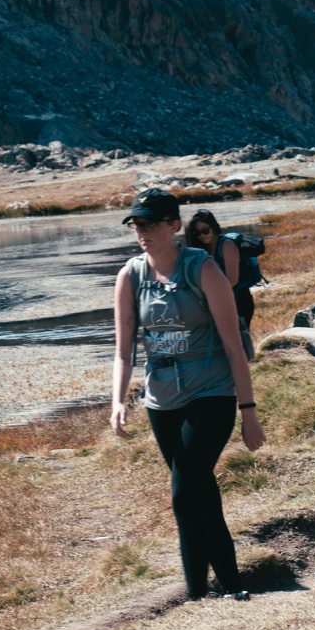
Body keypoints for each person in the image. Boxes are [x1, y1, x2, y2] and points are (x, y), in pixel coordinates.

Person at [111, 186, 265, 601]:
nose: (141, 231)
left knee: (183, 494)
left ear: (173, 226)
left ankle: (196, 593)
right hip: (161, 398)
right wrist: (118, 401)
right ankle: (232, 585)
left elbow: (233, 344)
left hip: (212, 392)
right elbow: (123, 349)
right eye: (135, 224)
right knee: (201, 491)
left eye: (149, 223)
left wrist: (248, 411)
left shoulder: (202, 269)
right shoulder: (130, 275)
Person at [183, 208, 262, 361]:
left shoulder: (227, 245)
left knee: (237, 345)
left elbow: (232, 279)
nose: (202, 236)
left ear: (214, 226)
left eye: (205, 230)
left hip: (239, 300)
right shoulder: (201, 249)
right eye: (197, 233)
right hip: (218, 302)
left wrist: (210, 297)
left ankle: (243, 375)